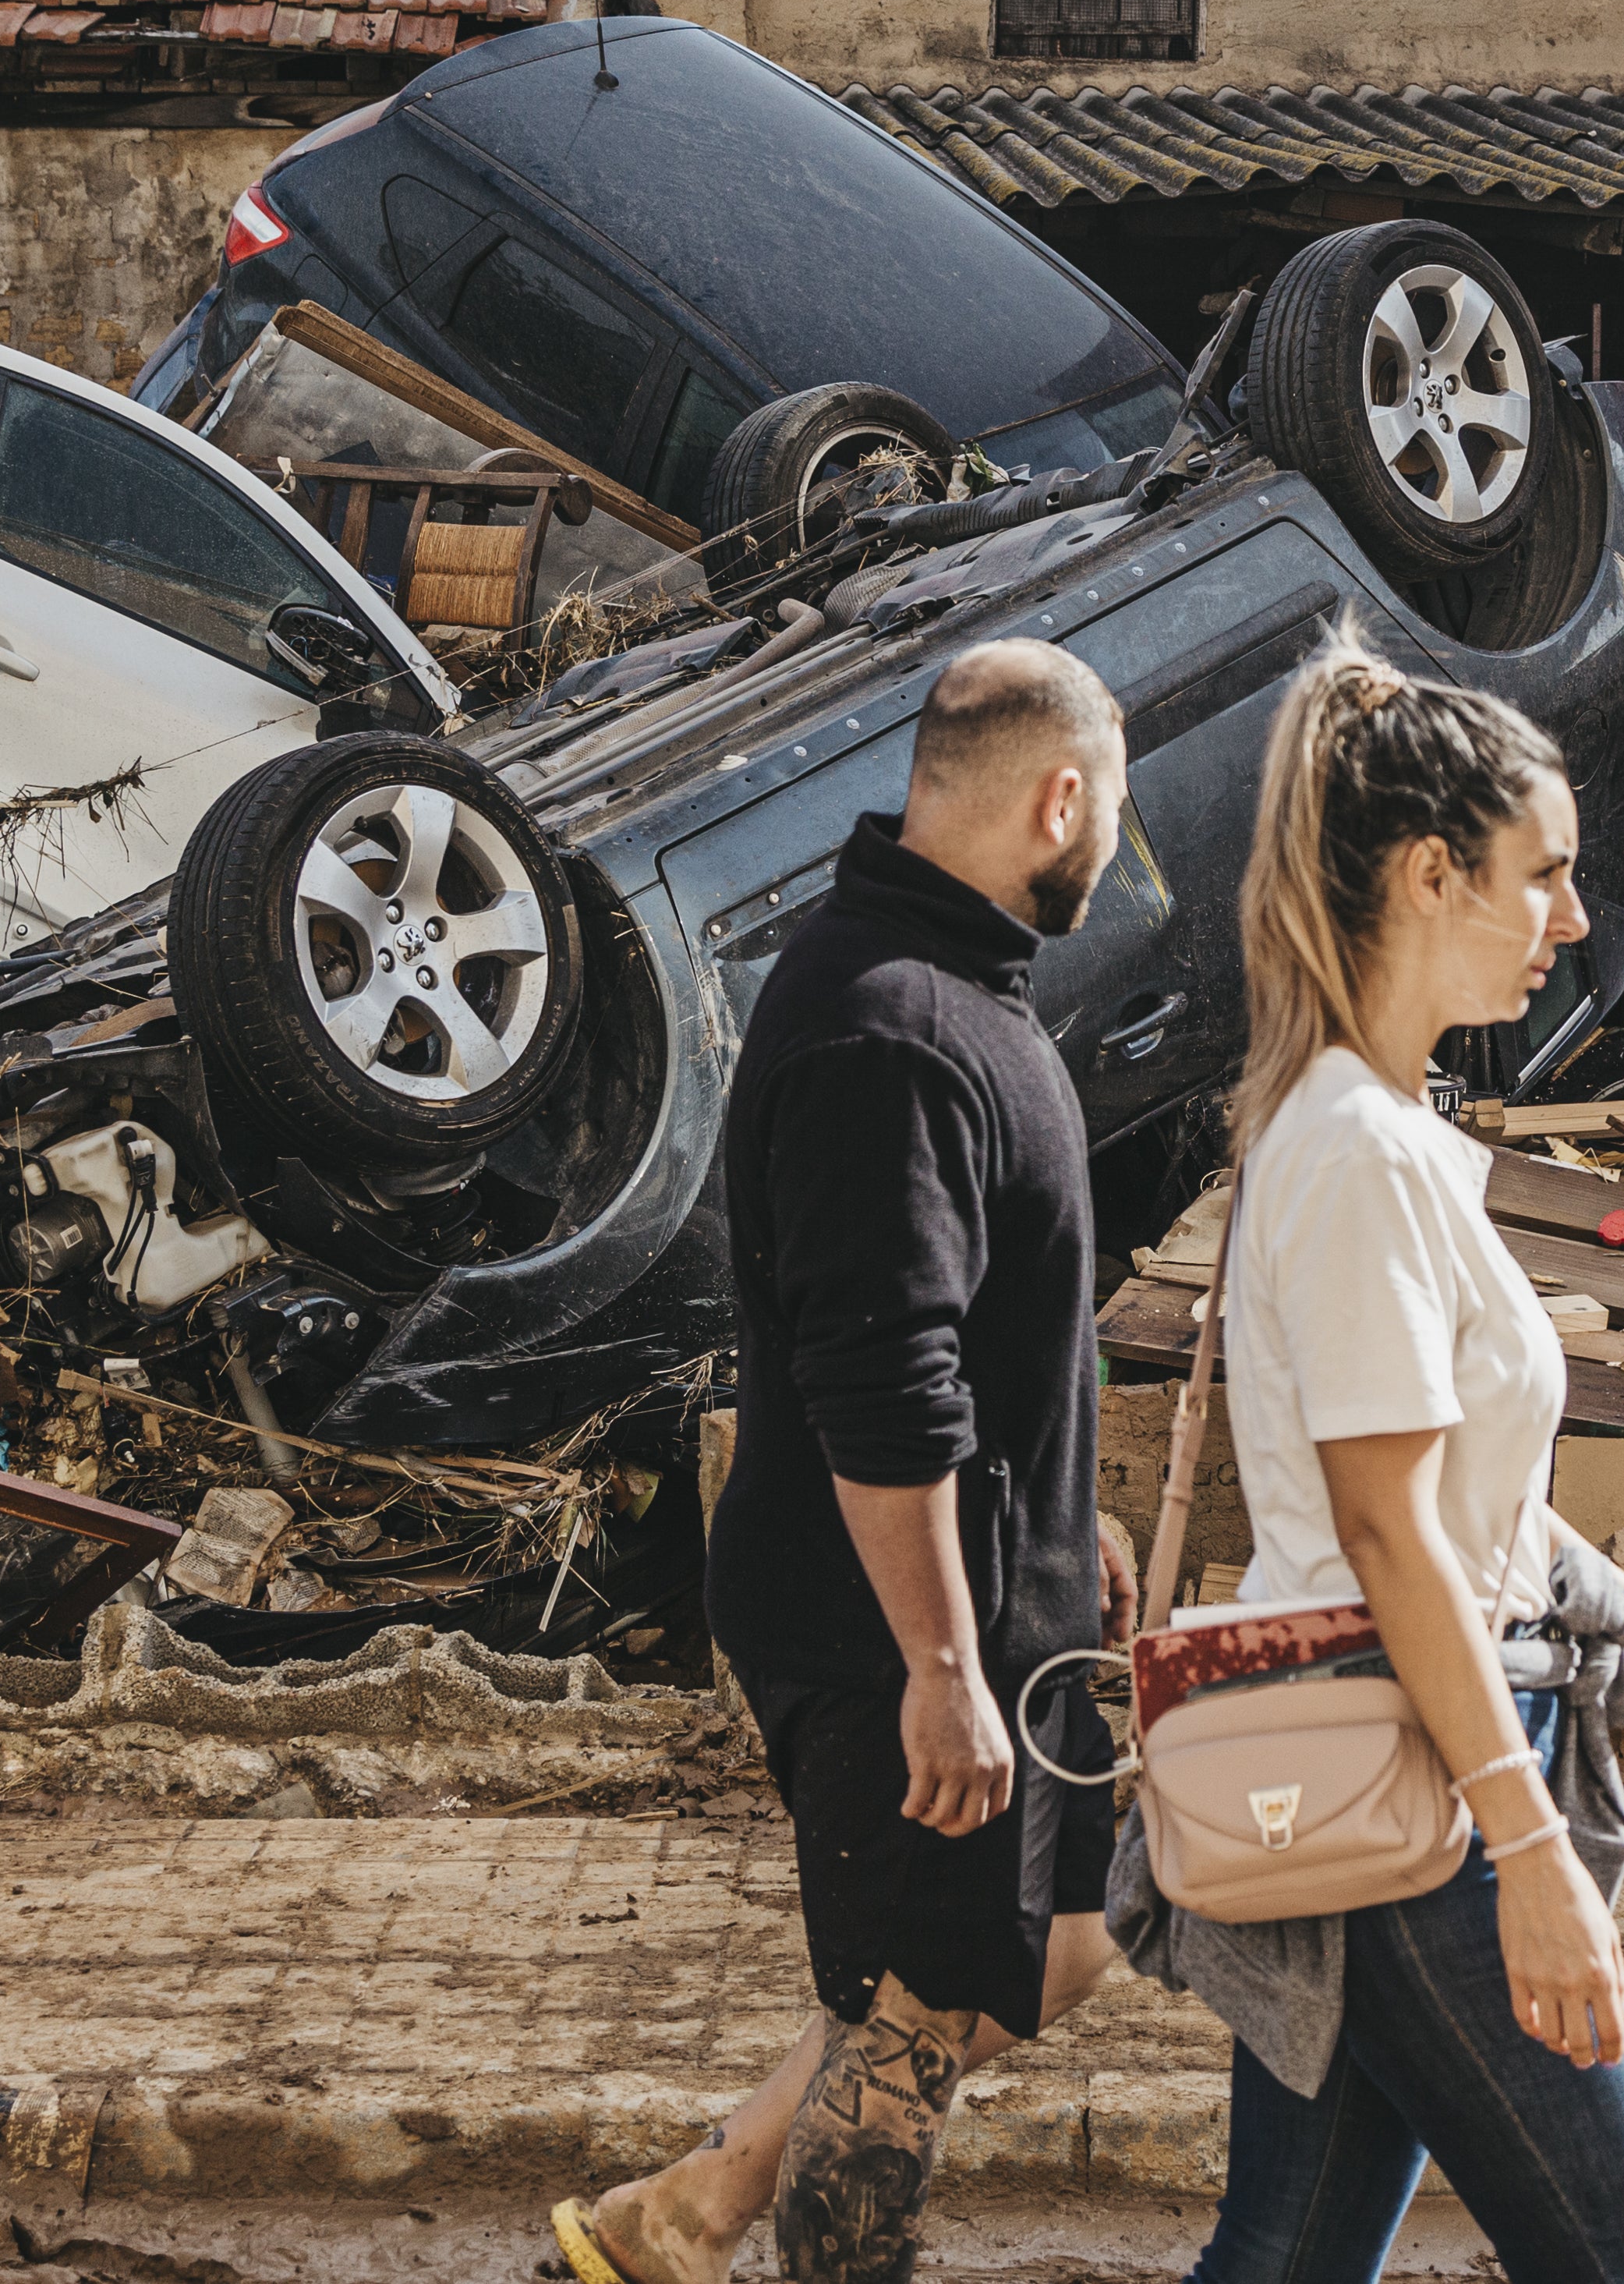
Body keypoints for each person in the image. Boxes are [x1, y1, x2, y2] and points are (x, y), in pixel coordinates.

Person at [1112, 631, 1624, 2284]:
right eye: (1542, 874)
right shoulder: (1360, 1151)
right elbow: (1386, 1530)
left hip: (1400, 1747)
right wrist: (1526, 1853)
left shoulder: (1373, 1129)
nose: (1568, 918)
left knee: (1286, 2254)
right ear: (1432, 874)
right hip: (1423, 1781)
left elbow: (1457, 1499)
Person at [555, 637, 1139, 2284]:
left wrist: (1053, 1506)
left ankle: (686, 2211)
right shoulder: (888, 1025)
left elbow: (972, 1314)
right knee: (906, 2022)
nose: (1115, 847)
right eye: (1117, 810)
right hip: (888, 1625)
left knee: (1066, 1937)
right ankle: (729, 2227)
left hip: (975, 1603)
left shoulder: (950, 989)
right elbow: (881, 1376)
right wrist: (941, 1661)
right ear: (1059, 794)